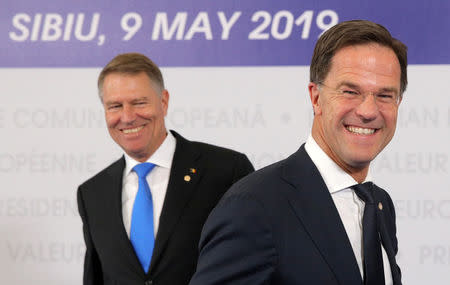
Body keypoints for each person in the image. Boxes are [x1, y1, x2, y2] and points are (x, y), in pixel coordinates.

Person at [189, 20, 406, 285]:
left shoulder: (379, 204)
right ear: (316, 98)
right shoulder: (254, 206)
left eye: (385, 95)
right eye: (350, 91)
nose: (368, 111)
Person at [77, 53, 254, 285]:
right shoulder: (92, 193)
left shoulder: (226, 171)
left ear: (164, 101)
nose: (127, 117)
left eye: (139, 102)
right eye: (115, 106)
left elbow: (254, 263)